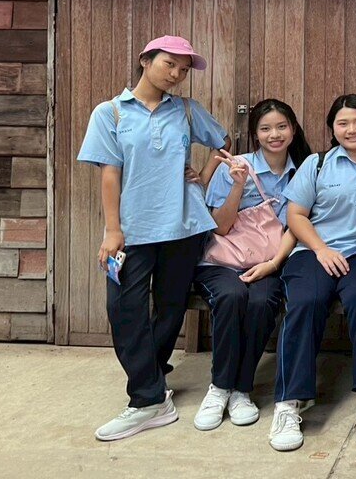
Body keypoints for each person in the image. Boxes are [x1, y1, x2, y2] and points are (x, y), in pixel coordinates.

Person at [77, 35, 230, 441]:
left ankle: (150, 387)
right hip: (133, 230)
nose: (176, 74)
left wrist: (203, 175)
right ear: (145, 60)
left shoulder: (187, 110)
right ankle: (149, 397)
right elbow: (109, 174)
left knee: (170, 307)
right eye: (169, 64)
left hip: (184, 226)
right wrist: (113, 230)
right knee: (124, 309)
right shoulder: (110, 112)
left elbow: (223, 143)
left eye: (183, 69)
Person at [248, 94, 356, 452]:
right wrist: (321, 249)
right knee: (306, 301)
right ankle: (288, 404)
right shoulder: (317, 164)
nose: (352, 129)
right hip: (314, 250)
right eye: (342, 123)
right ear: (332, 129)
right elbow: (296, 216)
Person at [191, 99, 312, 431]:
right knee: (231, 297)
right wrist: (238, 185)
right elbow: (219, 228)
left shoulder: (304, 171)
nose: (274, 135)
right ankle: (219, 388)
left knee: (261, 301)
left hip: (270, 260)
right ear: (255, 134)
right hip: (222, 260)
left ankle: (241, 389)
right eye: (265, 128)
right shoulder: (235, 166)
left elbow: (297, 225)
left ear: (293, 129)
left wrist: (273, 263)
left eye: (281, 127)